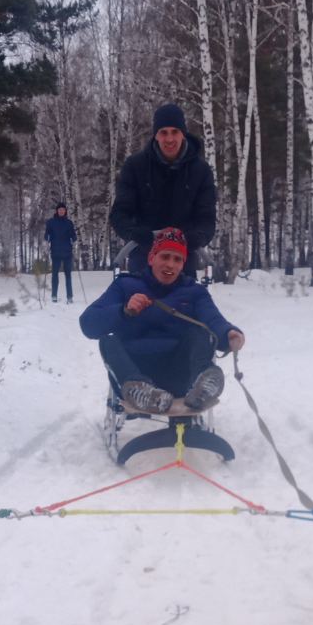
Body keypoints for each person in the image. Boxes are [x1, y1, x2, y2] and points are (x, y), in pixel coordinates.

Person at [80, 227, 245, 415]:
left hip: (180, 374)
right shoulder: (125, 285)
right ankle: (141, 391)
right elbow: (88, 324)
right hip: (134, 371)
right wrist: (123, 310)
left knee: (200, 332)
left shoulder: (194, 292)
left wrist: (229, 334)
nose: (170, 265)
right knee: (108, 339)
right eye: (165, 257)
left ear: (183, 264)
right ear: (151, 258)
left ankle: (205, 384)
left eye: (177, 259)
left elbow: (213, 319)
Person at [110, 103, 217, 279]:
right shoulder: (135, 167)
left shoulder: (201, 171)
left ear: (183, 134)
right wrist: (135, 233)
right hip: (143, 258)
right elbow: (120, 213)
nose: (169, 139)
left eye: (174, 132)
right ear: (156, 135)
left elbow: (206, 219)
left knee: (185, 304)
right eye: (163, 132)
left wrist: (194, 238)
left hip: (182, 260)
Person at [44, 202, 77, 302]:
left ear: (65, 211)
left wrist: (73, 239)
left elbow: (74, 235)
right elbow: (46, 234)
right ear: (57, 211)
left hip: (67, 252)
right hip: (55, 252)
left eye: (63, 209)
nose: (61, 211)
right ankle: (54, 296)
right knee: (55, 275)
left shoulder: (69, 223)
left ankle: (70, 297)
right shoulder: (51, 222)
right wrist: (47, 238)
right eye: (59, 209)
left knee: (68, 275)